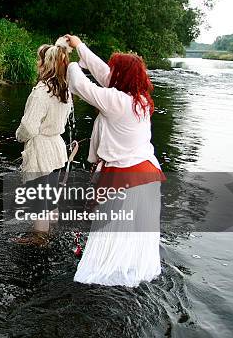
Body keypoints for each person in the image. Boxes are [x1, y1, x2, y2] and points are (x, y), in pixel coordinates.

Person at [65, 34, 165, 287]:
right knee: (133, 234)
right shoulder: (139, 98)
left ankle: (106, 275)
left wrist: (68, 62)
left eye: (115, 69)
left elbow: (80, 85)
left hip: (125, 177)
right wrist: (80, 46)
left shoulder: (116, 101)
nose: (110, 72)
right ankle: (130, 271)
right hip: (148, 175)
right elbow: (103, 73)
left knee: (109, 232)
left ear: (121, 76)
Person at [14, 38, 73, 244]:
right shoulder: (64, 90)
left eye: (39, 60)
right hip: (56, 147)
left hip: (41, 150)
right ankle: (53, 232)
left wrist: (18, 136)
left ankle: (40, 239)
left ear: (45, 64)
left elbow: (29, 127)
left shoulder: (42, 91)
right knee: (51, 198)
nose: (37, 64)